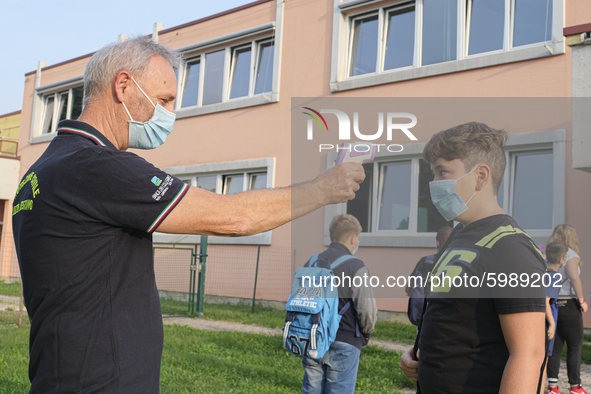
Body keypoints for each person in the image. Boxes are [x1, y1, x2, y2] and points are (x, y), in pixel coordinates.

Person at [11, 37, 365, 393]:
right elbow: (233, 218)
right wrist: (324, 189)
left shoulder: (42, 170)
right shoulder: (95, 167)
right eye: (164, 99)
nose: (170, 112)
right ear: (122, 86)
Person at [399, 122, 547, 393]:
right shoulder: (459, 235)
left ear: (480, 176)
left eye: (443, 172)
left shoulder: (509, 246)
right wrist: (420, 354)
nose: (433, 184)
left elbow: (529, 355)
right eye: (433, 173)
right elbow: (456, 319)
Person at [301, 214, 377, 394]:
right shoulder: (356, 266)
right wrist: (366, 332)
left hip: (312, 339)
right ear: (353, 238)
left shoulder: (311, 262)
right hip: (344, 340)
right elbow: (366, 309)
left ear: (332, 236)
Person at [547, 224, 589, 394]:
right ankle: (575, 386)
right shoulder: (570, 255)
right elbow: (573, 277)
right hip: (569, 304)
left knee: (555, 348)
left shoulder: (547, 253)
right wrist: (582, 301)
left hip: (553, 304)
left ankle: (553, 387)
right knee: (574, 346)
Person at [405, 226, 452, 326]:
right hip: (448, 322)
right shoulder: (459, 262)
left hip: (424, 319)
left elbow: (408, 287)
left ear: (438, 243)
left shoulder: (425, 261)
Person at [543, 241, 568, 394]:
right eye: (565, 257)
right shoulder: (554, 277)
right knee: (544, 362)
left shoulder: (543, 273)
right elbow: (546, 300)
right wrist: (552, 324)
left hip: (540, 322)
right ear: (560, 259)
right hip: (546, 324)